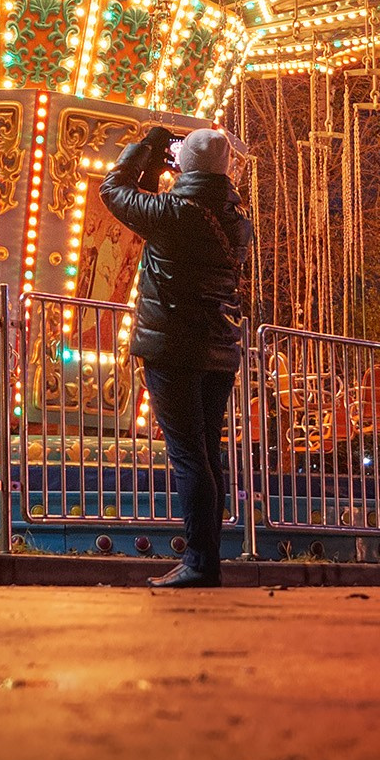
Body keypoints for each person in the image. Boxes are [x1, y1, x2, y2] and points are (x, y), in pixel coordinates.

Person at [98, 124, 253, 589]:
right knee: (208, 454)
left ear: (185, 166)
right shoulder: (235, 219)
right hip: (219, 349)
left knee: (189, 457)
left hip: (172, 346)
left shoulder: (175, 213)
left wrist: (145, 148)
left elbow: (113, 189)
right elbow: (143, 204)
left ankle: (200, 564)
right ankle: (208, 560)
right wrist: (181, 164)